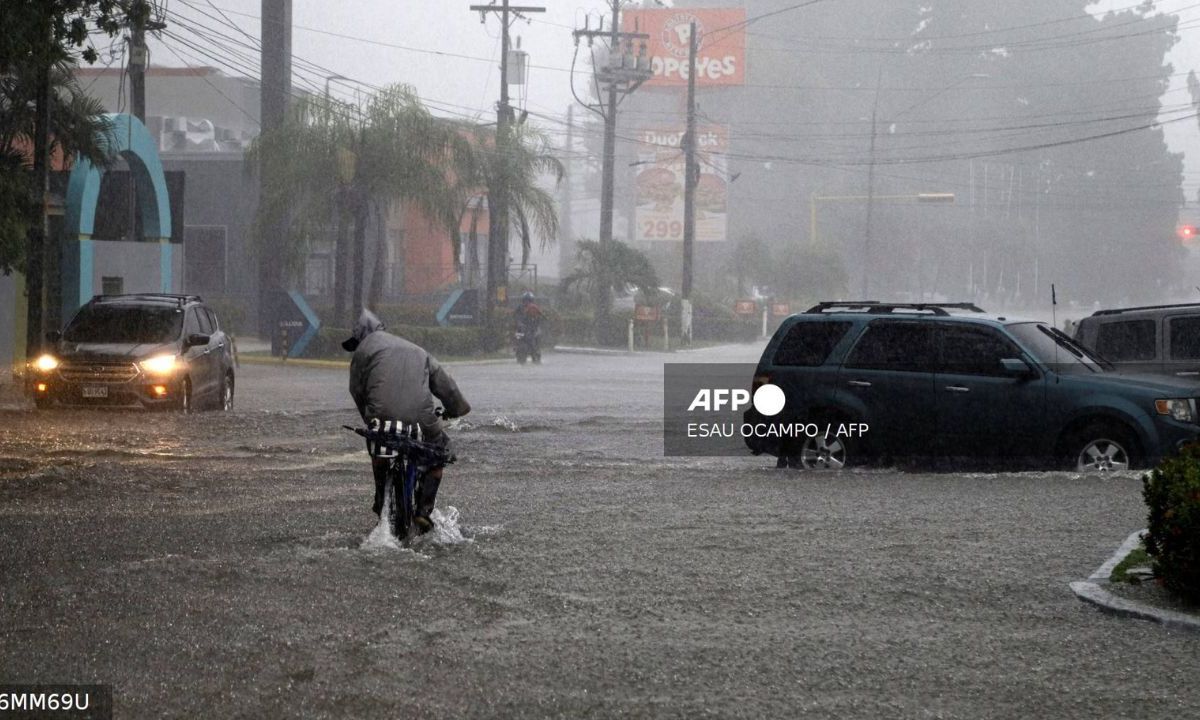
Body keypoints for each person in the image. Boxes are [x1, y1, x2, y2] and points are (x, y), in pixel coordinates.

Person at [343, 309, 471, 534]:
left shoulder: (363, 350)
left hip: (382, 421)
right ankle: (423, 510)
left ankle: (381, 503)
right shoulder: (418, 351)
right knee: (438, 456)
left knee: (378, 452)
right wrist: (457, 409)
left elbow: (357, 390)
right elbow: (446, 387)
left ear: (362, 335)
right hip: (422, 421)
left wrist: (371, 419)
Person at [513, 291, 543, 362]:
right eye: (525, 300)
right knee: (517, 337)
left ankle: (535, 352)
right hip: (521, 328)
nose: (527, 302)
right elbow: (515, 316)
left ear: (532, 301)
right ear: (523, 300)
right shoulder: (519, 308)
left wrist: (535, 325)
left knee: (535, 338)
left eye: (529, 300)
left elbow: (539, 317)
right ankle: (517, 349)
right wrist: (518, 323)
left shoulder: (534, 308)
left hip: (532, 329)